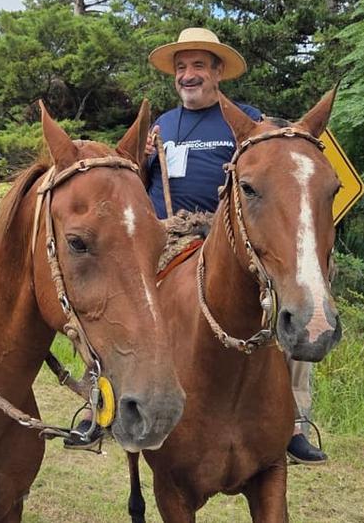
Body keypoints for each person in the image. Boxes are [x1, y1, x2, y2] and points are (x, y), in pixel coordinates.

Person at [144, 27, 327, 465]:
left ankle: (294, 422)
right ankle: (108, 399)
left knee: (295, 289)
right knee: (122, 303)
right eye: (182, 68)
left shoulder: (247, 119)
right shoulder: (161, 125)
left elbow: (272, 166)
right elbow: (136, 182)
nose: (188, 76)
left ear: (218, 72)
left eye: (198, 67)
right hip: (166, 234)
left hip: (227, 237)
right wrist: (143, 157)